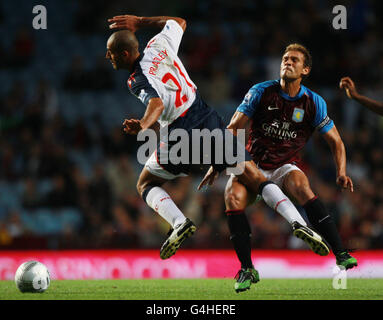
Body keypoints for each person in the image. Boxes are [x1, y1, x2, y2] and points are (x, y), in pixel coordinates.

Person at [106, 15, 328, 262]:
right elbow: (179, 22)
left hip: (181, 135)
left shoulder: (135, 79)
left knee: (145, 183)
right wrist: (139, 21)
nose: (108, 57)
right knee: (254, 176)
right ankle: (298, 222)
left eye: (111, 53)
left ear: (125, 54)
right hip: (207, 117)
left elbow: (156, 104)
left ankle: (179, 222)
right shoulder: (158, 44)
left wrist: (143, 126)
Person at [199, 43, 358, 292]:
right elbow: (234, 127)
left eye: (294, 60)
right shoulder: (260, 91)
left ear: (305, 69)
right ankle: (247, 268)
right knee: (231, 196)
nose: (288, 62)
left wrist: (341, 172)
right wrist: (218, 163)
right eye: (285, 58)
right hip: (253, 165)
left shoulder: (313, 102)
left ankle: (340, 252)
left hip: (285, 166)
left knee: (300, 185)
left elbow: (336, 141)